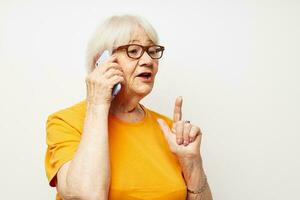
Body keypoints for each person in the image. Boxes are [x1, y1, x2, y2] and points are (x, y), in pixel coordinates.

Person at [45, 15, 213, 200]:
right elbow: (86, 196)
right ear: (101, 61)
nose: (148, 61)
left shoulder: (169, 130)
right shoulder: (65, 122)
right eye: (133, 50)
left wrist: (192, 164)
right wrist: (98, 103)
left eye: (152, 50)